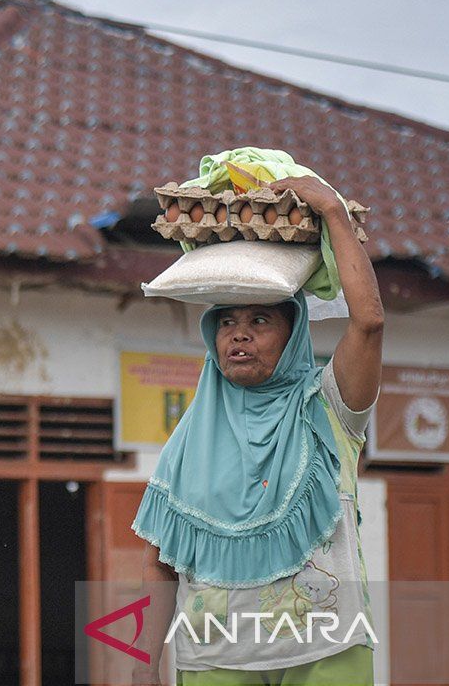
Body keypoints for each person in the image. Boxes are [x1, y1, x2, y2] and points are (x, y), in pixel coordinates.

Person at [130, 176, 384, 685]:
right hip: (215, 659)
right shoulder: (188, 440)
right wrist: (143, 671)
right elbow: (160, 564)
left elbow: (369, 323)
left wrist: (333, 212)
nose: (239, 333)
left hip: (325, 649)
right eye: (227, 322)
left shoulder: (329, 407)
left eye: (261, 319)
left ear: (293, 335)